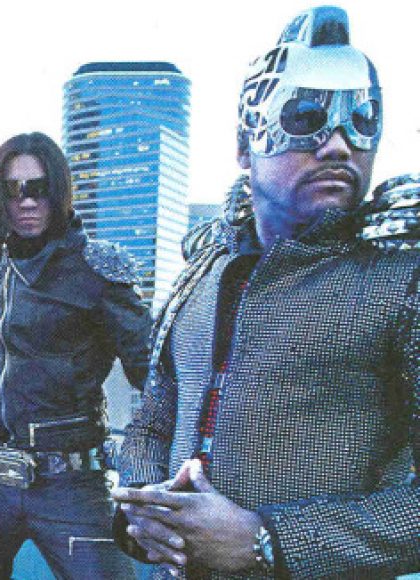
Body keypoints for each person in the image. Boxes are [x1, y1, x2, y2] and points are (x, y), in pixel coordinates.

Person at [112, 7, 420, 579]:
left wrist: (272, 542)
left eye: (362, 120)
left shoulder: (402, 278)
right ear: (244, 143)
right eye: (306, 117)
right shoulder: (202, 271)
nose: (338, 145)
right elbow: (153, 418)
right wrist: (141, 508)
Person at [0, 132, 151, 579]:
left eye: (38, 188)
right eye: (13, 189)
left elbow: (154, 377)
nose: (26, 201)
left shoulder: (98, 269)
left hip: (72, 484)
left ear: (58, 190)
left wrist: (146, 469)